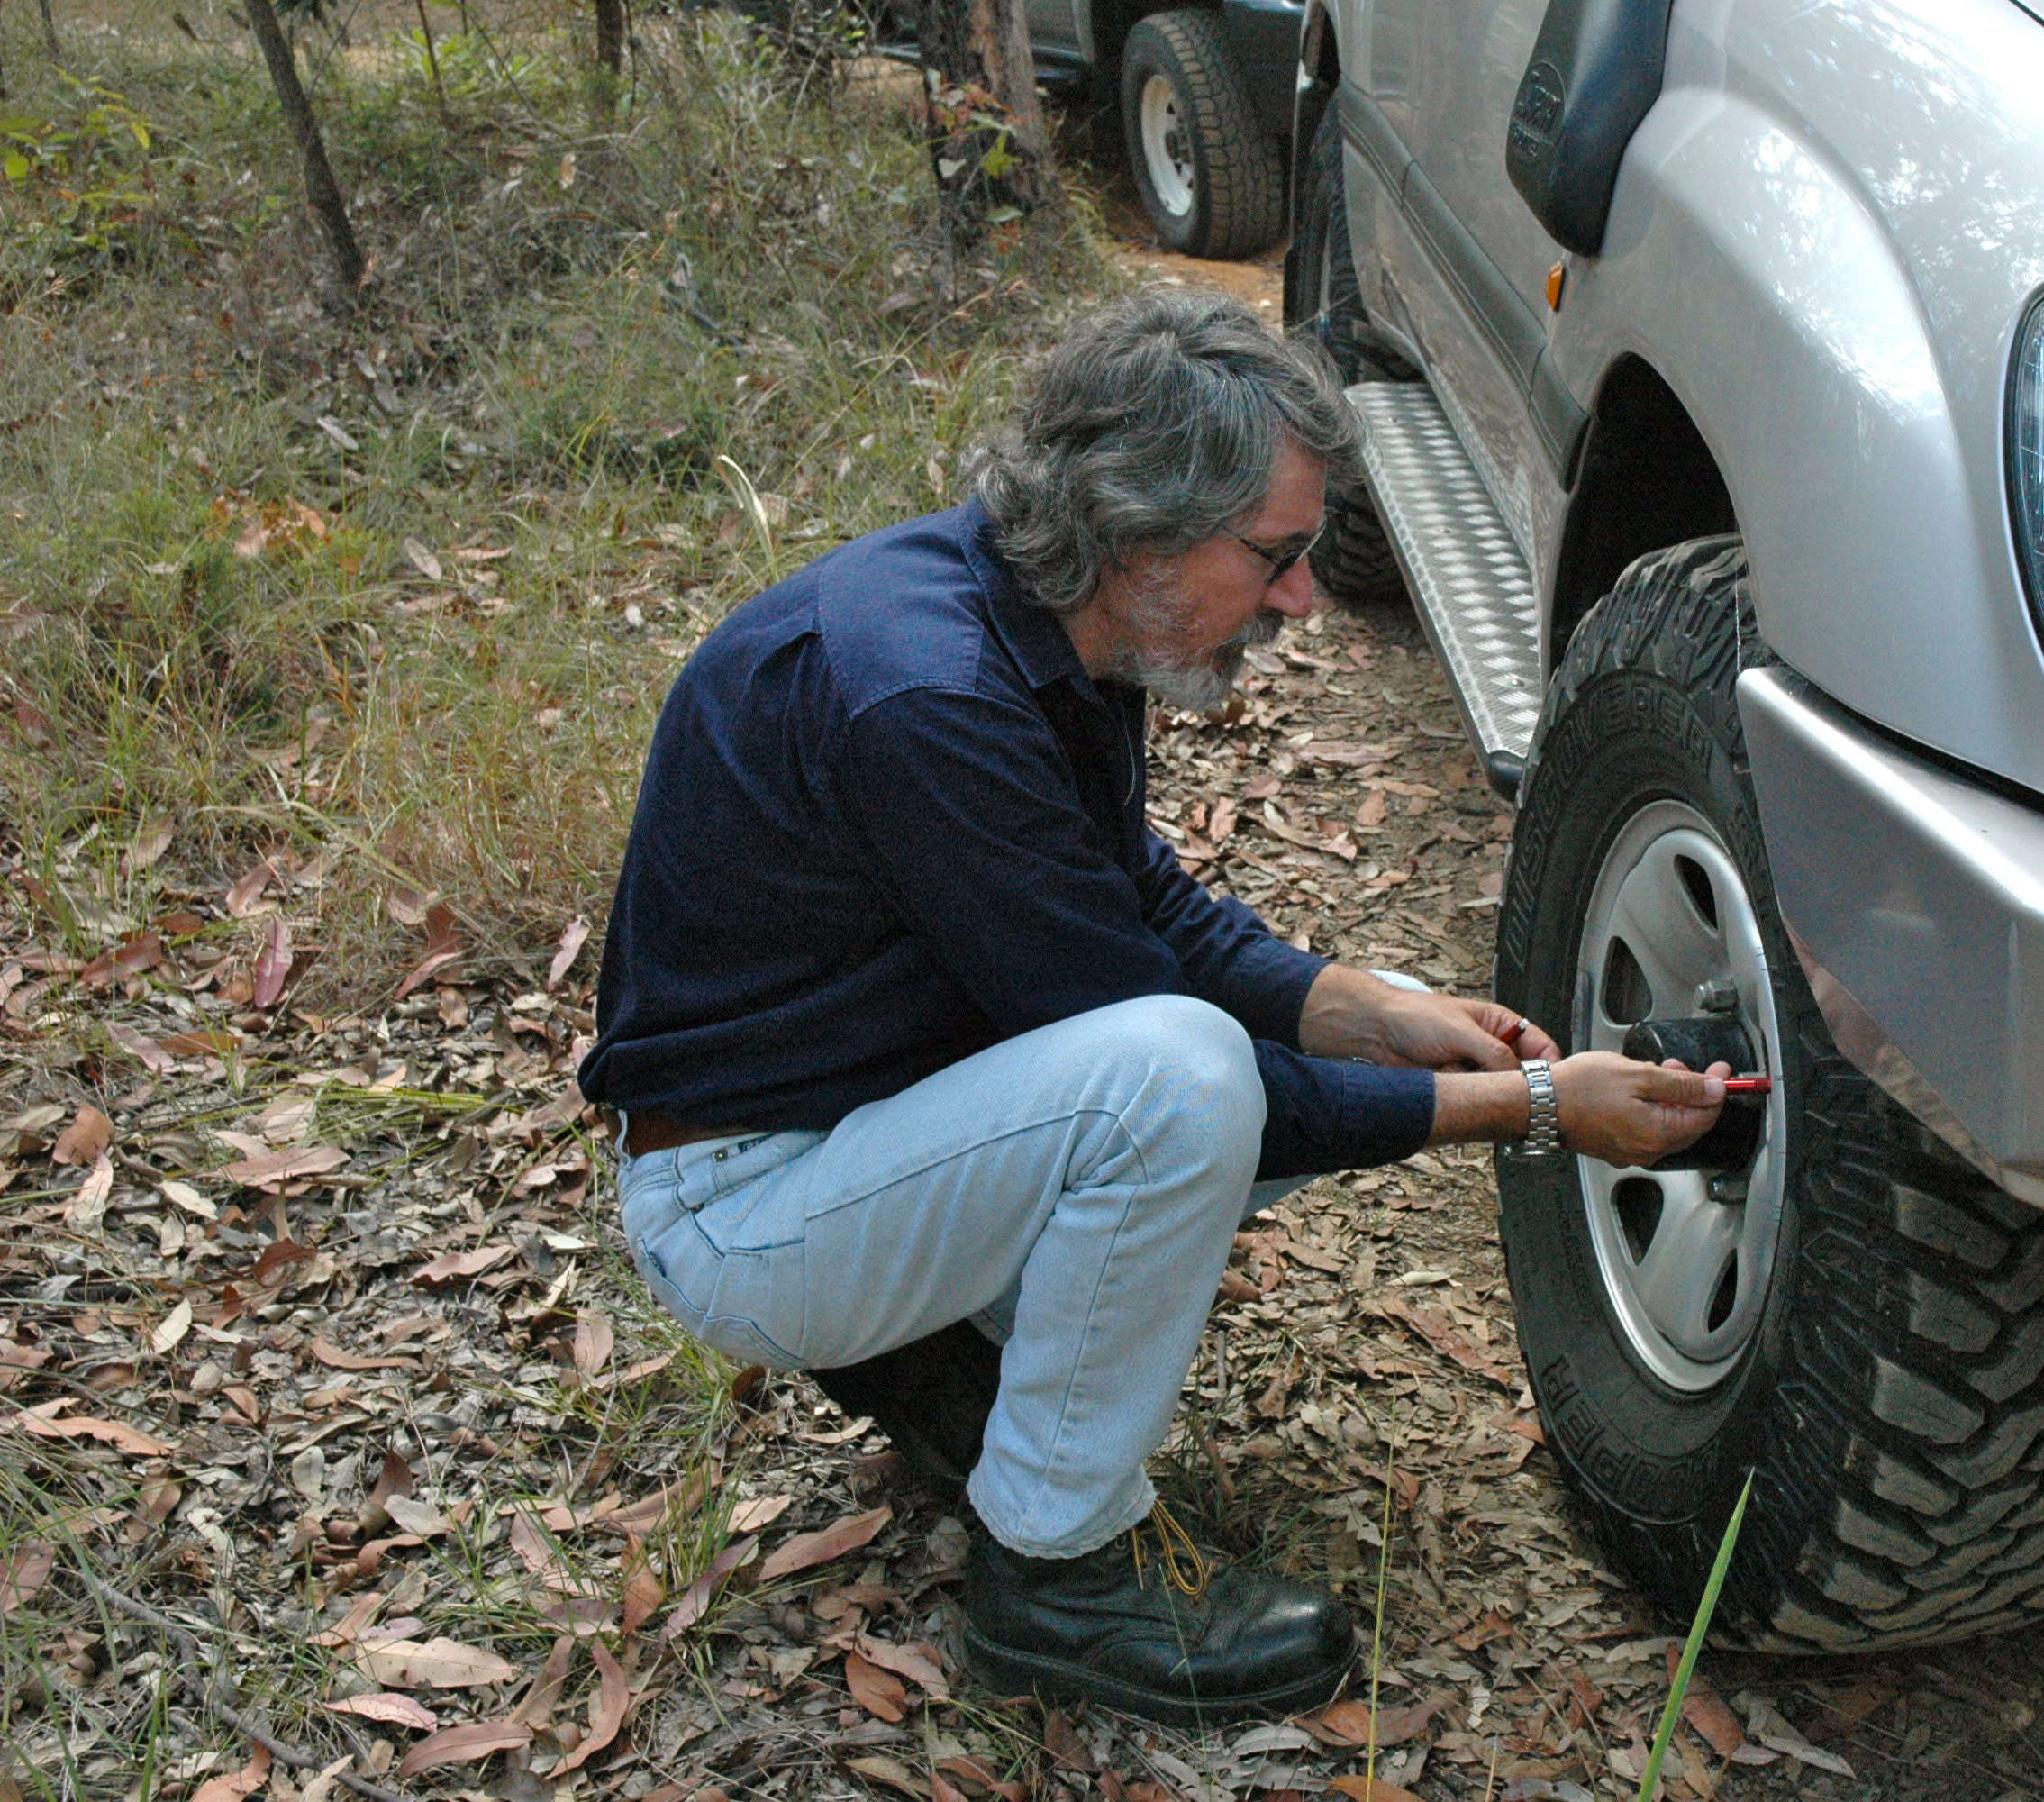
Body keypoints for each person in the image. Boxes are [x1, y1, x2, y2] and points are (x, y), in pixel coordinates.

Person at [578, 289, 1729, 1725]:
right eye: (1275, 556)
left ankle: (940, 1363)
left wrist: (1366, 1007)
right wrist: (1536, 1111)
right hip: (746, 1204)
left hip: (852, 1126)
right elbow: (1169, 1057)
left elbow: (1141, 908)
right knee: (1180, 1090)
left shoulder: (1044, 622)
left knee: (1197, 1075)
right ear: (1136, 531)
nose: (1305, 597)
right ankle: (1052, 1580)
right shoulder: (930, 700)